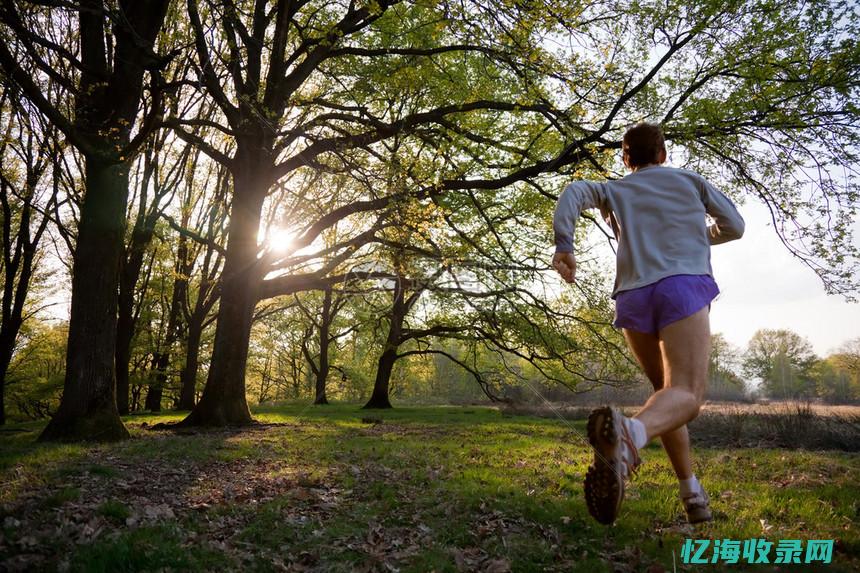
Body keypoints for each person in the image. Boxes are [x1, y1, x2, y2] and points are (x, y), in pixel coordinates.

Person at [552, 123, 745, 525]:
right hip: (681, 286)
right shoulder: (690, 181)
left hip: (633, 297)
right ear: (663, 154)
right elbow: (735, 226)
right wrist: (698, 234)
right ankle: (630, 436)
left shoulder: (615, 189)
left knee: (665, 395)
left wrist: (565, 246)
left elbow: (573, 192)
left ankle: (692, 495)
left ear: (626, 158)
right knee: (688, 395)